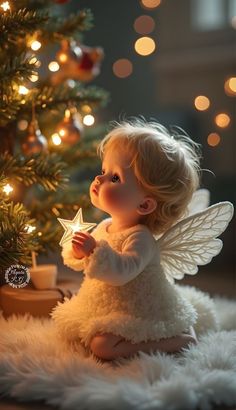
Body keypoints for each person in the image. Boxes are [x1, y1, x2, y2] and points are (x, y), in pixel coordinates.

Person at [52, 119, 219, 361]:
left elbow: (122, 271)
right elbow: (89, 265)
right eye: (103, 171)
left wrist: (94, 251)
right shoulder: (105, 226)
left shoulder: (141, 239)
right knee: (70, 328)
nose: (99, 180)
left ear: (144, 204)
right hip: (106, 303)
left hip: (137, 309)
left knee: (102, 347)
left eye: (115, 178)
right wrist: (80, 253)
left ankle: (179, 338)